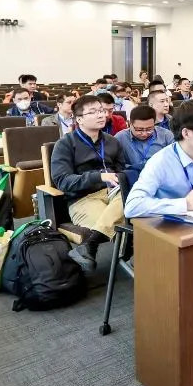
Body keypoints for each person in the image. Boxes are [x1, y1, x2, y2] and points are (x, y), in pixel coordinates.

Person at [49, 94, 130, 270]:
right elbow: (63, 181)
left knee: (129, 198)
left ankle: (89, 245)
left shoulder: (112, 142)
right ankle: (134, 259)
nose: (101, 115)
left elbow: (121, 171)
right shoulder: (65, 144)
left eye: (101, 111)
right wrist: (98, 176)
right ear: (79, 119)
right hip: (83, 199)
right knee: (121, 225)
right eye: (93, 112)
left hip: (114, 194)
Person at [115, 104, 174, 184]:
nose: (144, 133)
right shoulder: (120, 138)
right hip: (132, 180)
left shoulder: (166, 135)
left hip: (161, 178)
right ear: (129, 124)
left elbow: (175, 160)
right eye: (139, 130)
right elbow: (116, 166)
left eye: (149, 129)